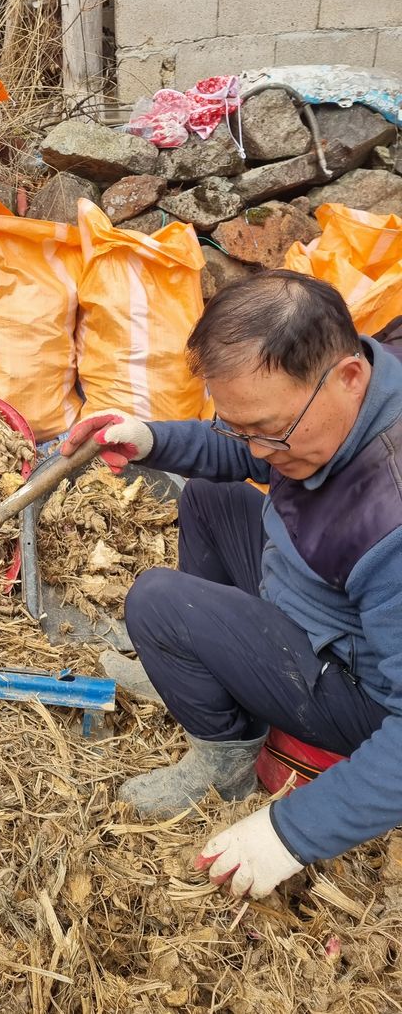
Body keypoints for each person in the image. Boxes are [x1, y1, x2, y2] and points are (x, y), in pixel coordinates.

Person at [62, 269, 402, 900]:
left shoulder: (393, 517)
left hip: (359, 688)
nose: (257, 447)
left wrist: (288, 834)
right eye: (238, 426)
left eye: (267, 430)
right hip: (316, 592)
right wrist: (150, 440)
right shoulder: (354, 388)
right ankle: (203, 668)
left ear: (348, 379)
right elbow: (245, 452)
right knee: (212, 497)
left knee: (160, 603)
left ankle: (224, 761)